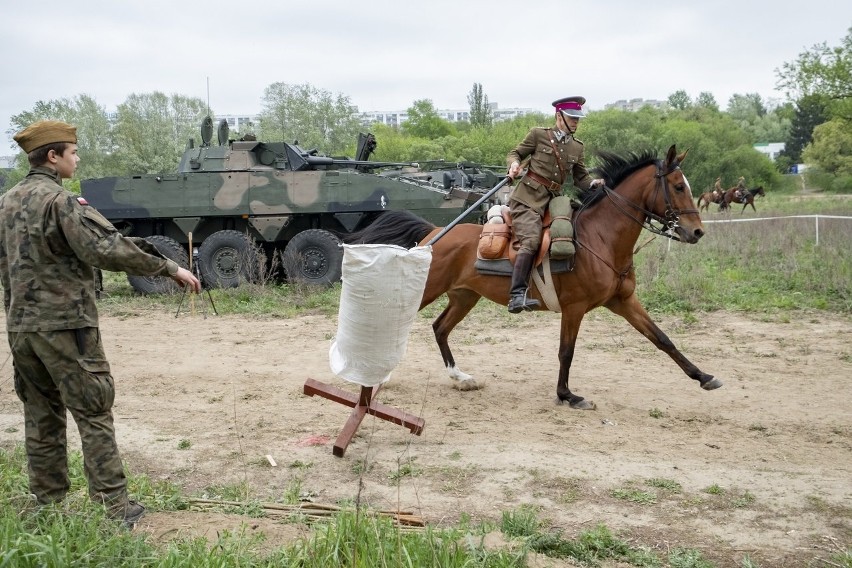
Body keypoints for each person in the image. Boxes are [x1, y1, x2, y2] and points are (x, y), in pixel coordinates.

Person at [0, 120, 201, 526]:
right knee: (93, 412)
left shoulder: (5, 202)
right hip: (67, 328)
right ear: (53, 157)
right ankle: (114, 508)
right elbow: (106, 248)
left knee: (41, 416)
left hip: (22, 329)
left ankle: (48, 506)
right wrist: (168, 267)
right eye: (72, 152)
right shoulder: (61, 202)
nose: (78, 158)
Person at [505, 96, 604, 313]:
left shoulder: (577, 147)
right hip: (527, 199)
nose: (576, 122)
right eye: (572, 117)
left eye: (578, 118)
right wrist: (513, 165)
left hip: (552, 201)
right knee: (531, 241)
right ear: (559, 116)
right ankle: (517, 295)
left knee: (573, 231)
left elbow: (581, 179)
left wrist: (595, 183)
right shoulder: (539, 135)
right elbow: (516, 153)